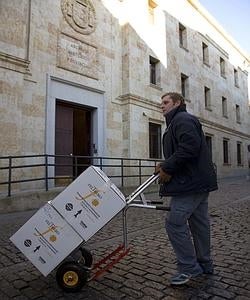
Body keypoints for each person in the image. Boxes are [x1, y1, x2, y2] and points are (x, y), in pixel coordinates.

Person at [156, 92, 218, 286]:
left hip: (190, 184)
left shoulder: (182, 119)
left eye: (166, 102)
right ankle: (205, 264)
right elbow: (185, 149)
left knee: (174, 222)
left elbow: (189, 147)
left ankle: (189, 267)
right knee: (199, 224)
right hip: (197, 182)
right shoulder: (177, 122)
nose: (162, 106)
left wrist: (167, 166)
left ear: (178, 103)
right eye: (161, 103)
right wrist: (167, 165)